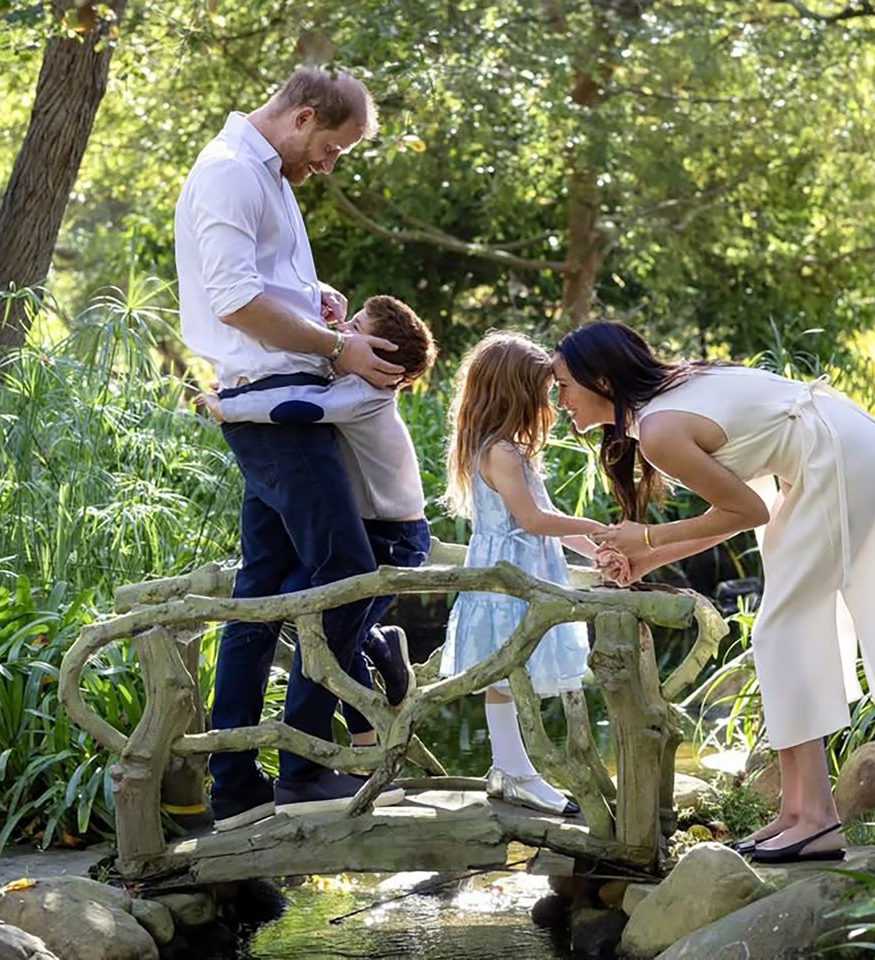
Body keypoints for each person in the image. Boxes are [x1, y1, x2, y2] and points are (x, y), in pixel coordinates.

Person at [554, 321, 875, 863]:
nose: (559, 399)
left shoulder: (659, 430)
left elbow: (749, 511)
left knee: (783, 629)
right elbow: (728, 516)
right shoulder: (670, 401)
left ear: (603, 381)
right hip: (837, 448)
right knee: (784, 630)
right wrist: (645, 557)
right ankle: (798, 811)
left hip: (841, 457)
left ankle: (818, 819)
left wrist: (649, 537)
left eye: (564, 385)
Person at [176, 66, 412, 831]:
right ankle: (306, 768)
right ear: (304, 116)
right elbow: (234, 302)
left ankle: (236, 786)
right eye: (332, 149)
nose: (328, 166)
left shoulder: (268, 173)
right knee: (343, 575)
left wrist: (314, 304)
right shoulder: (230, 174)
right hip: (278, 414)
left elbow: (263, 288)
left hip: (277, 405)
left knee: (262, 596)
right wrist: (337, 349)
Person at [202, 294, 438, 738]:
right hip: (372, 529)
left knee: (333, 622)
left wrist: (227, 407)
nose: (343, 334)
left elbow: (300, 405)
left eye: (357, 330)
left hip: (395, 538)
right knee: (318, 610)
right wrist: (325, 314)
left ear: (384, 363)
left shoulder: (365, 394)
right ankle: (375, 672)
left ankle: (364, 733)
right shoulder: (350, 382)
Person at [439, 332, 613, 816]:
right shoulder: (501, 452)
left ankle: (508, 767)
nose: (550, 401)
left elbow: (546, 517)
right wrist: (599, 526)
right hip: (510, 583)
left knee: (510, 676)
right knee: (508, 673)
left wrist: (598, 549)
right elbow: (534, 521)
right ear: (515, 392)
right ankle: (517, 773)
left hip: (519, 575)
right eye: (542, 390)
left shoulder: (505, 449)